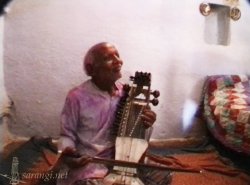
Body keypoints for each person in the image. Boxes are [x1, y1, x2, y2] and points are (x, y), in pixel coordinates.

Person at [57, 42, 158, 185]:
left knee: (163, 175)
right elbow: (67, 135)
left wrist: (147, 123)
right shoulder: (77, 97)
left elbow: (136, 134)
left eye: (117, 55)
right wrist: (69, 156)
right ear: (91, 69)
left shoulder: (128, 94)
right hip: (90, 164)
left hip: (122, 159)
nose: (118, 61)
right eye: (108, 58)